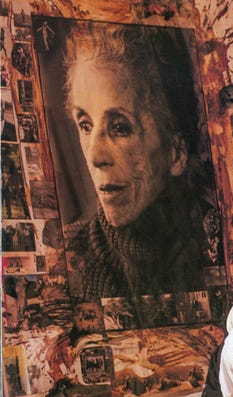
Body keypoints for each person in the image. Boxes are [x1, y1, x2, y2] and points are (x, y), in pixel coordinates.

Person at [60, 22, 213, 322]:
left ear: (176, 152)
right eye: (85, 125)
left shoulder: (216, 245)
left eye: (119, 127)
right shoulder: (67, 261)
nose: (94, 156)